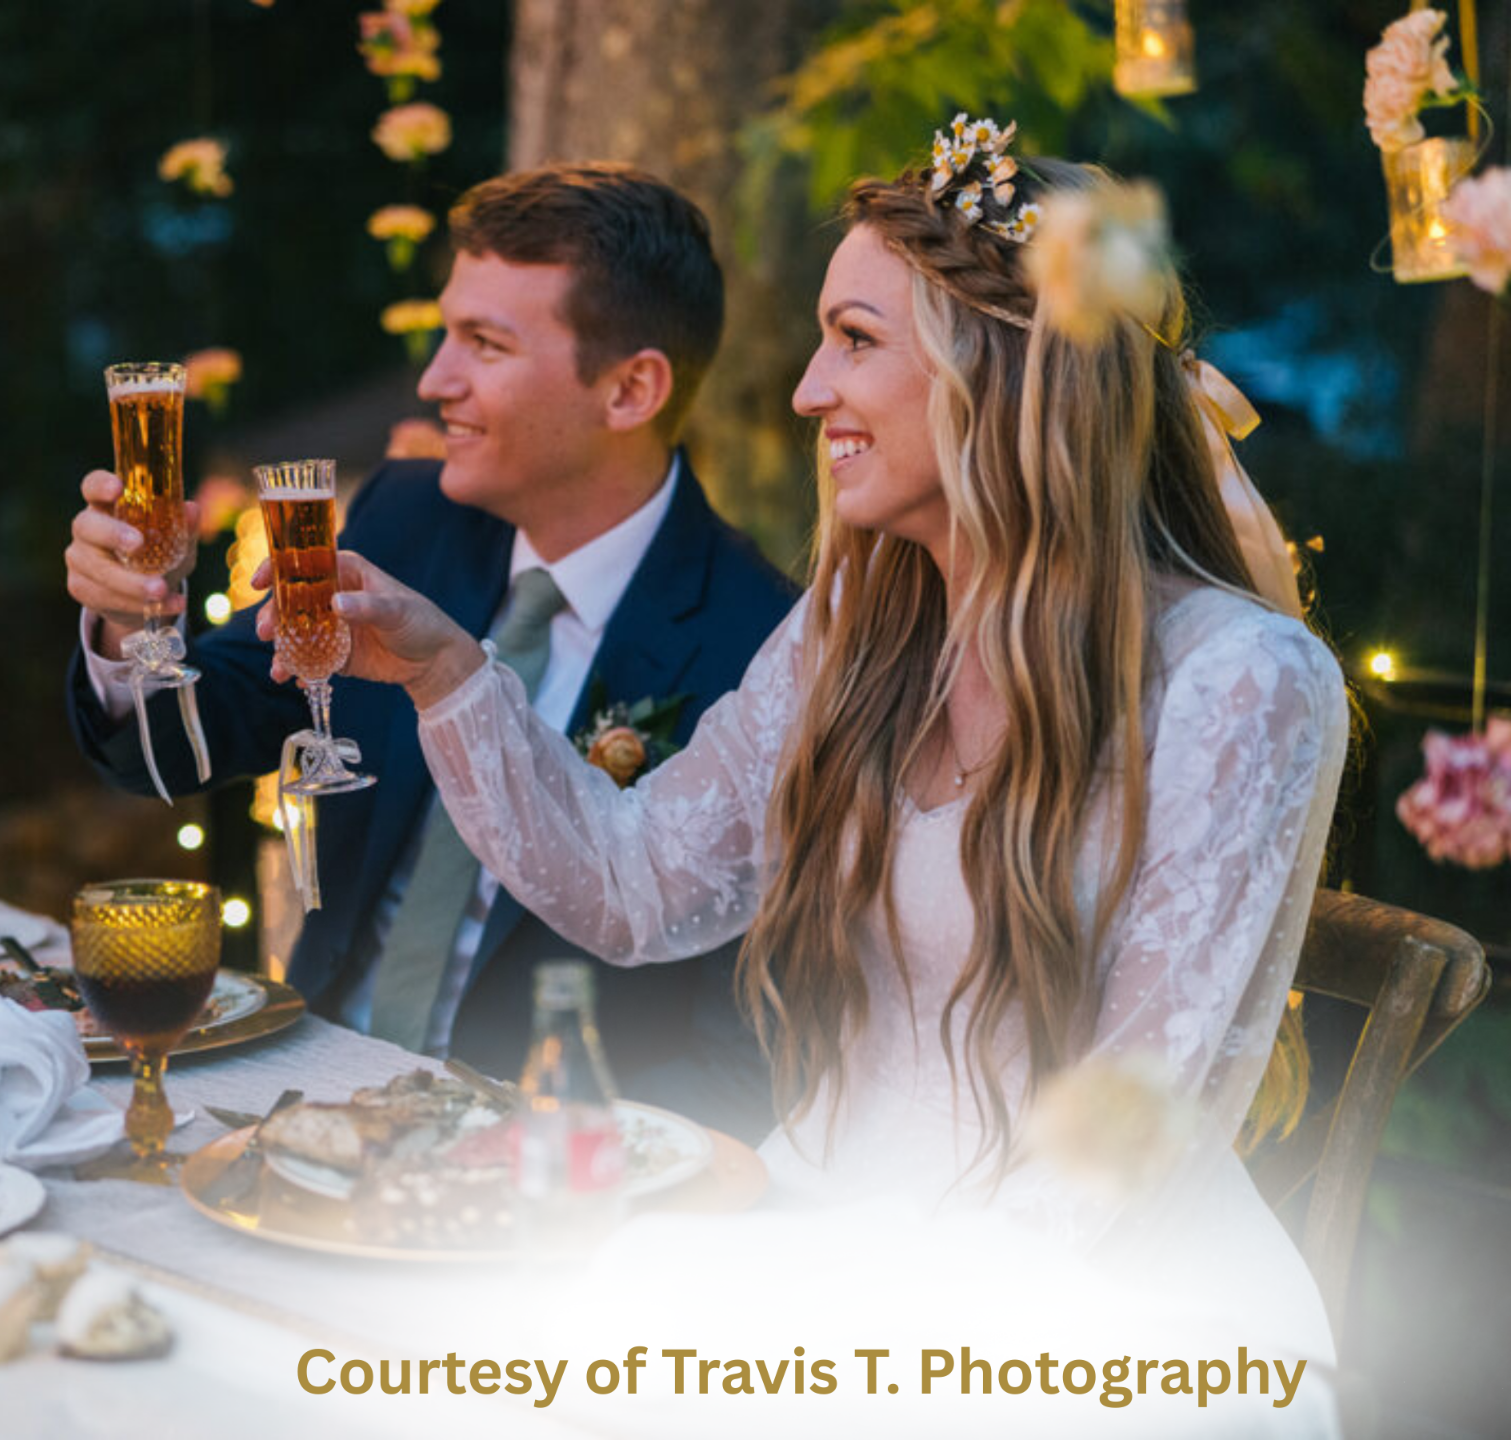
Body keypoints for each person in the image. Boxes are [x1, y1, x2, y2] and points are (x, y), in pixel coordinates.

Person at [301, 122, 1347, 1355]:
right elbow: (641, 887)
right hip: (817, 1226)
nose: (807, 390)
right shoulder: (860, 620)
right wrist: (445, 670)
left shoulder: (1244, 682)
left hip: (1086, 1314)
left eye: (854, 340)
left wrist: (845, 1339)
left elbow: (1128, 1149)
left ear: (998, 372)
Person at [65, 163, 799, 1138]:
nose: (433, 381)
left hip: (530, 1167)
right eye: (447, 332)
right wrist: (130, 624)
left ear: (631, 389)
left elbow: (741, 1058)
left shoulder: (760, 645)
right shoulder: (409, 519)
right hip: (300, 1096)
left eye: (483, 345)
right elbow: (174, 746)